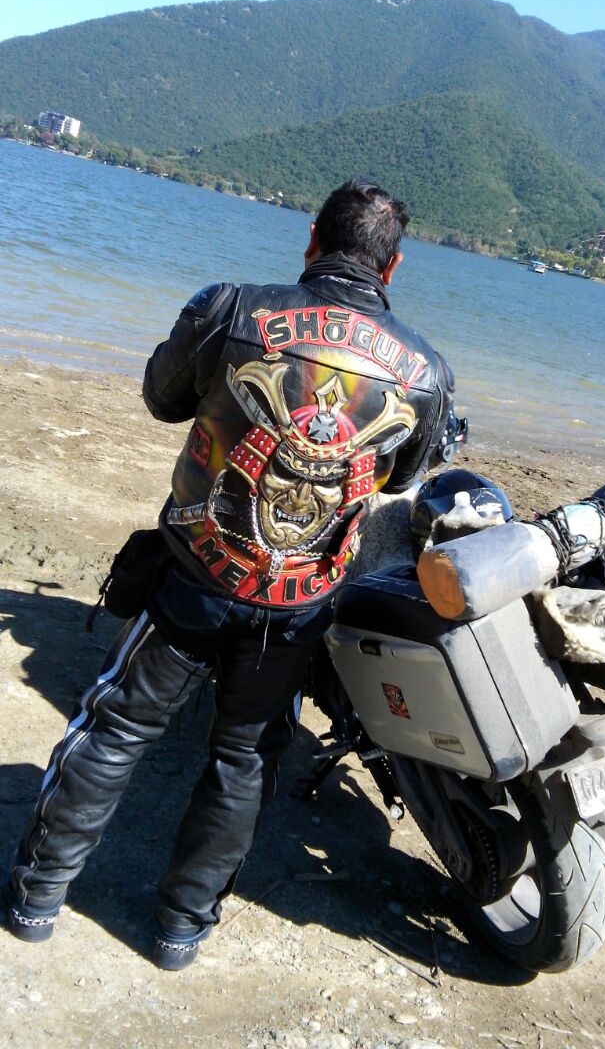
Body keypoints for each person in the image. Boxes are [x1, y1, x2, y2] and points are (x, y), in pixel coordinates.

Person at [7, 179, 457, 970]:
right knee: (245, 756)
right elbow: (403, 475)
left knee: (116, 728)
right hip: (298, 600)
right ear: (391, 269)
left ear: (312, 238)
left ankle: (35, 901)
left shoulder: (232, 308)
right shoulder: (426, 372)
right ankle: (179, 932)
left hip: (197, 572)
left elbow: (161, 397)